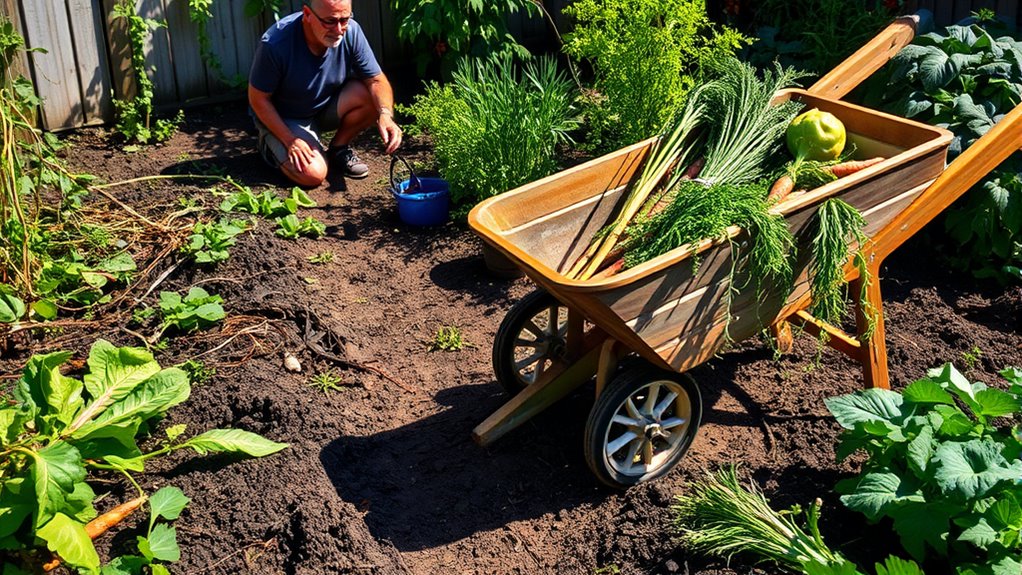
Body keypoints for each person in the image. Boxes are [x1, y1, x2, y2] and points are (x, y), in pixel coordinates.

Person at [248, 0, 402, 187]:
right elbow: (258, 99)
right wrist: (290, 140)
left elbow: (376, 80)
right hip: (285, 118)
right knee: (313, 174)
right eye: (329, 21)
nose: (338, 30)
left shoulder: (351, 31)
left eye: (344, 19)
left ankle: (338, 148)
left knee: (371, 96)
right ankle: (269, 145)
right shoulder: (275, 44)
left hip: (324, 105)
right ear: (307, 14)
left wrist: (385, 114)